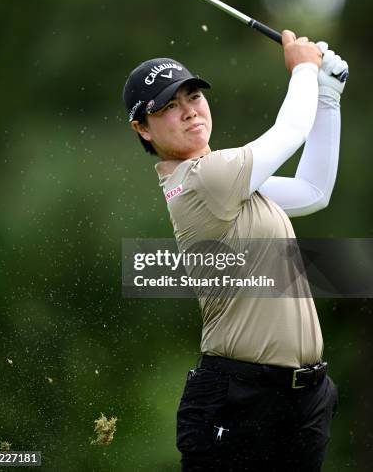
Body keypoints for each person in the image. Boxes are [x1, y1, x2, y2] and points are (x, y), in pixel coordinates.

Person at [122, 30, 348, 471]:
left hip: (304, 400)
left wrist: (328, 99)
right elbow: (290, 131)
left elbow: (313, 190)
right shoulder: (205, 181)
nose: (188, 112)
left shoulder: (234, 182)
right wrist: (303, 68)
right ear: (142, 128)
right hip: (240, 399)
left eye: (191, 97)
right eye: (168, 107)